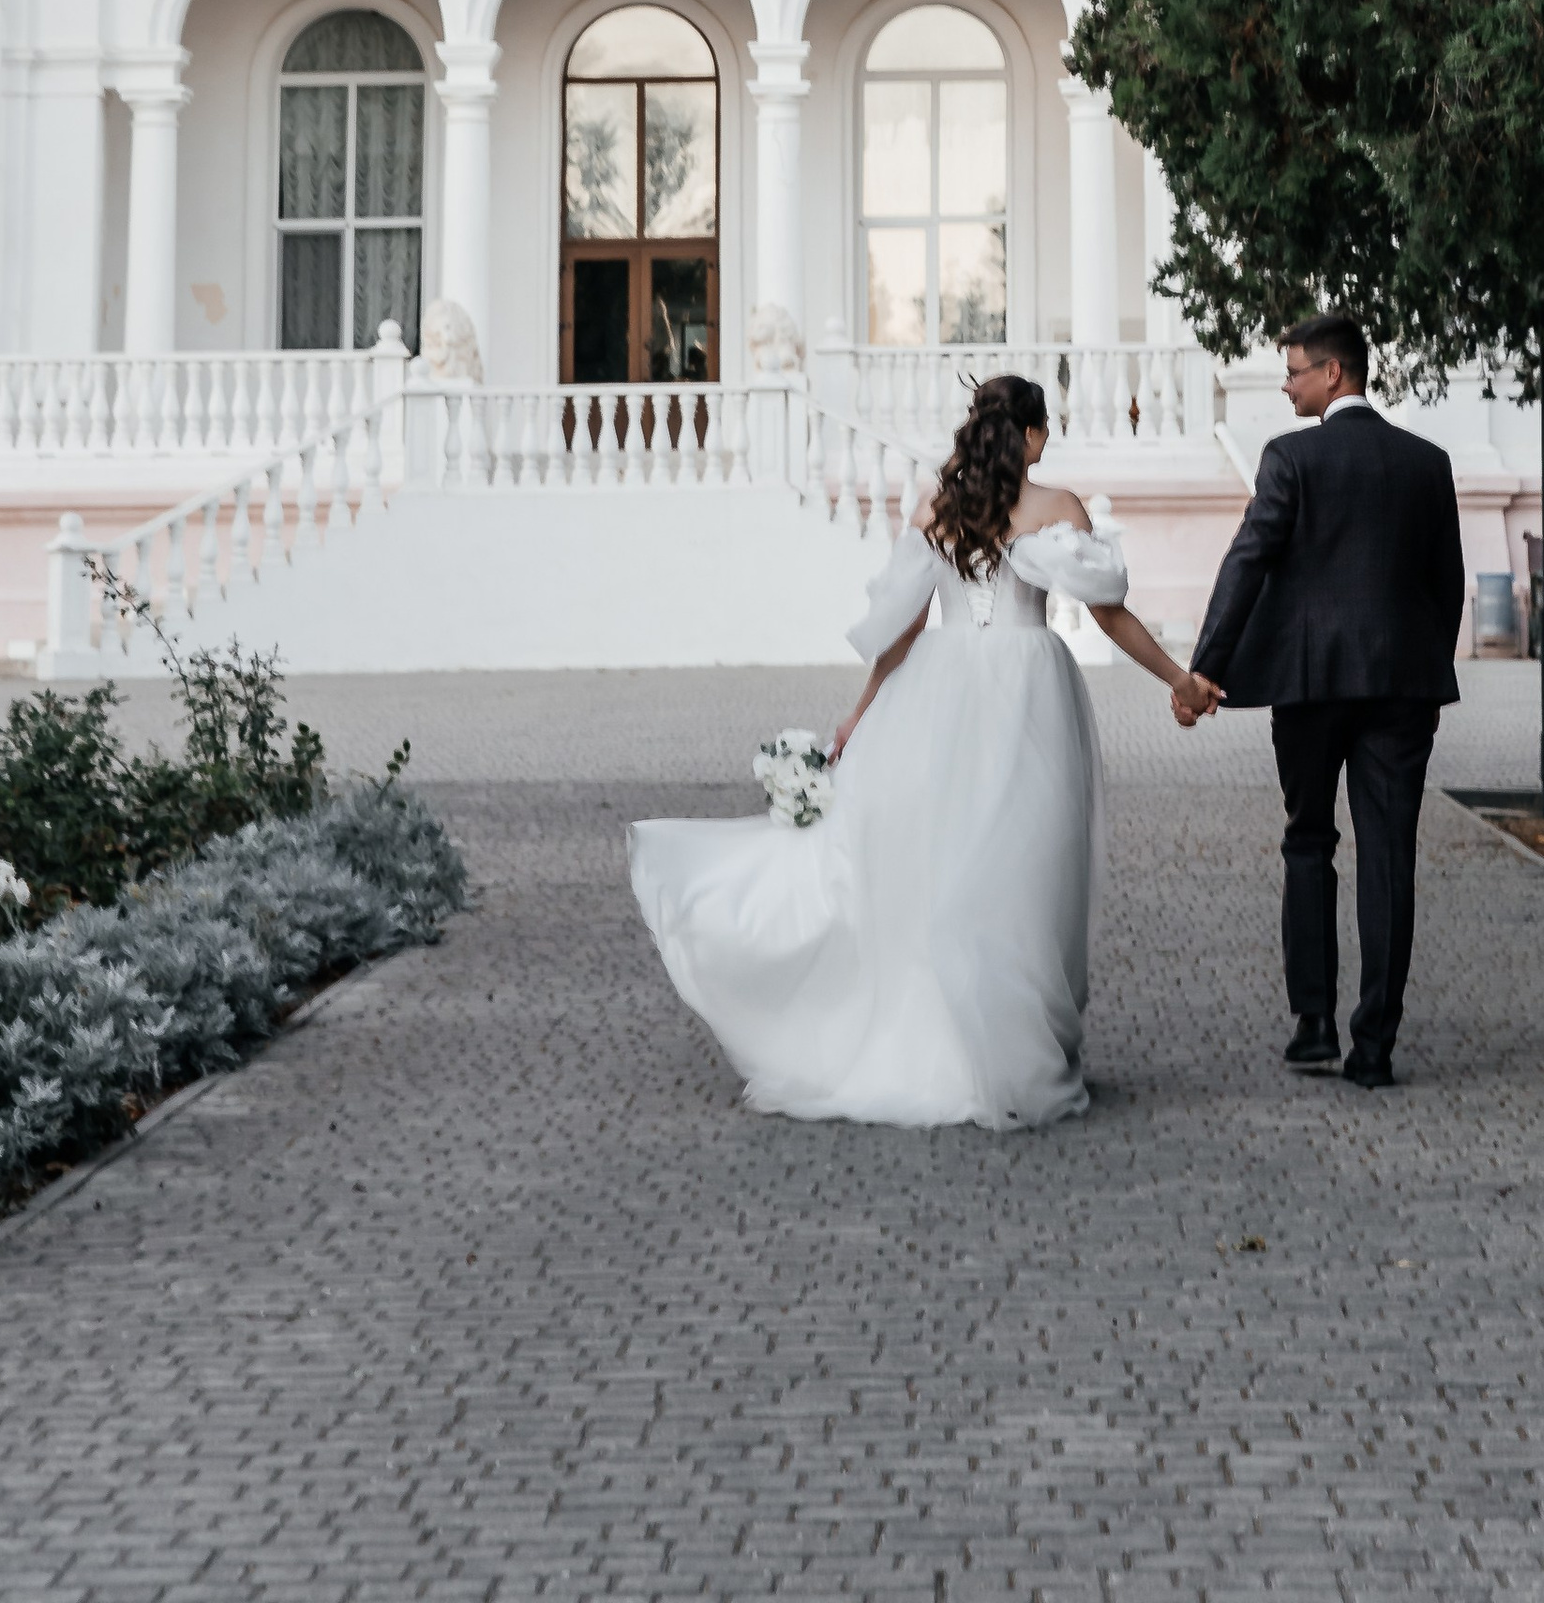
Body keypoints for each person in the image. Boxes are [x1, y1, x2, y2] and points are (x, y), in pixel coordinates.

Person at [628, 370, 1208, 1128]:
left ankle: (956, 1046)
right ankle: (1012, 1053)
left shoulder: (945, 506)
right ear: (1032, 435)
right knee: (1025, 867)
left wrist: (858, 716)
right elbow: (1107, 614)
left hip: (943, 690)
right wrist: (1179, 679)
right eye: (1044, 429)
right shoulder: (1058, 507)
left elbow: (902, 631)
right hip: (1029, 690)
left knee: (945, 864)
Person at [1178, 320, 1465, 1087]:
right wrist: (1424, 662)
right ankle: (1375, 1047)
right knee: (1390, 856)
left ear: (1335, 373)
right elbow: (1449, 584)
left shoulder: (1291, 457)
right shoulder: (1427, 462)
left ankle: (1313, 1026)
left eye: (1294, 371)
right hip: (1404, 687)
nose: (1285, 384)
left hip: (1308, 688)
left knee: (1309, 842)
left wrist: (1203, 670)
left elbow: (1250, 558)